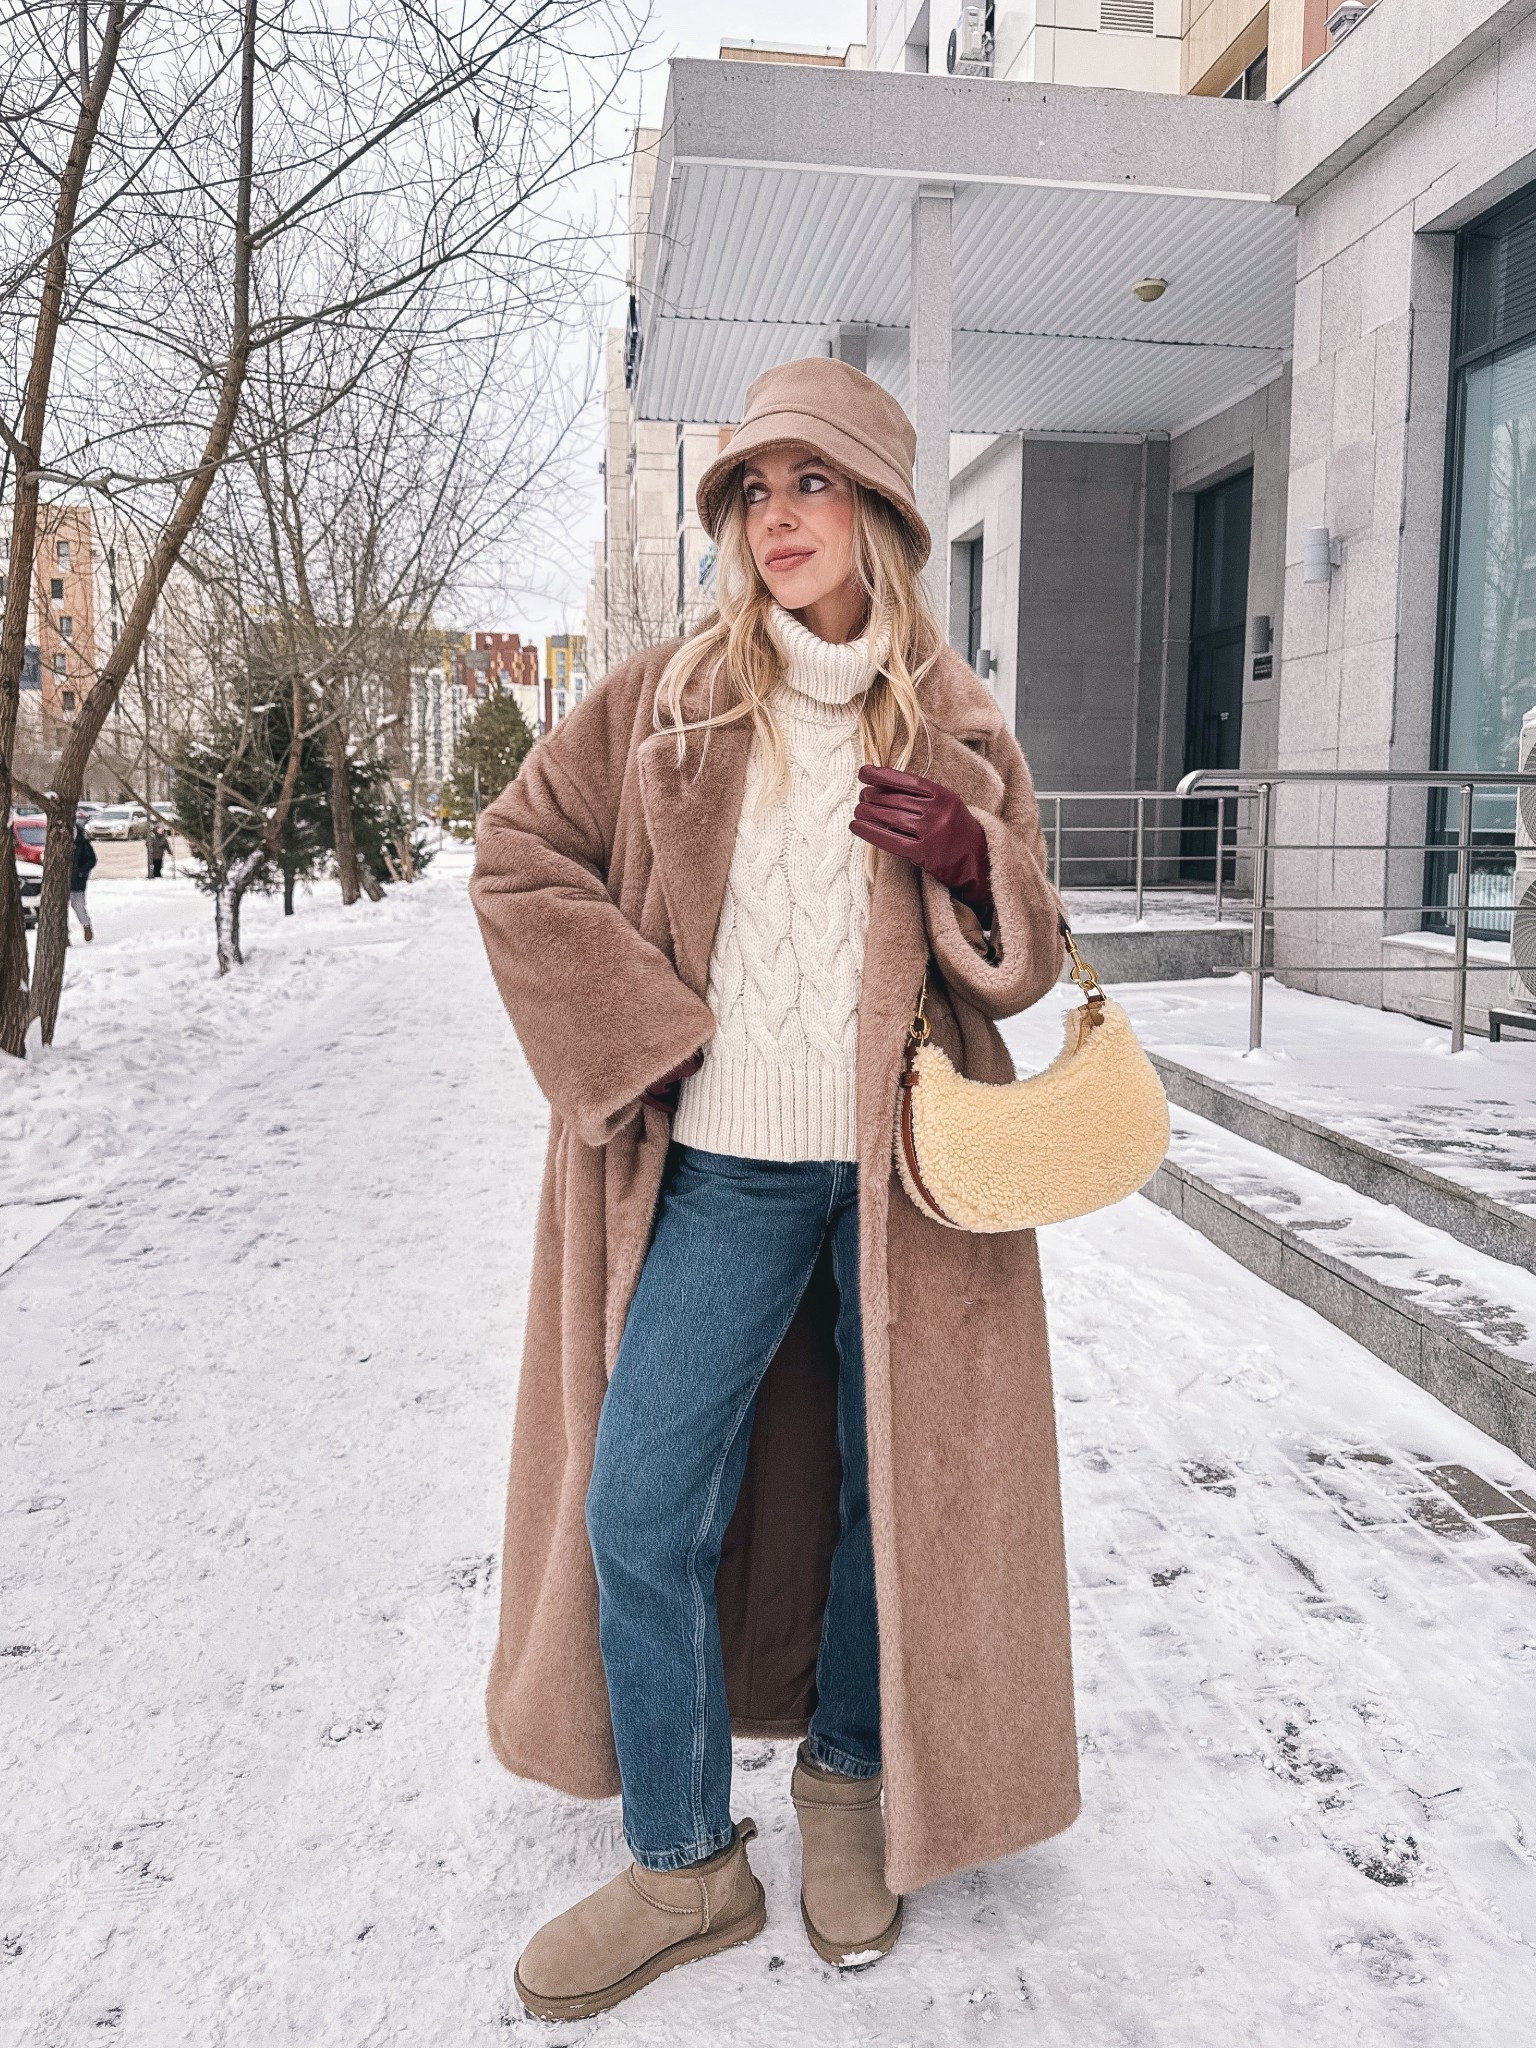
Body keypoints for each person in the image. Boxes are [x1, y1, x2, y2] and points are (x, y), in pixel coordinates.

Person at [471, 357, 1078, 2026]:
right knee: (638, 1508)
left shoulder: (955, 721)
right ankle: (683, 1857)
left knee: (904, 1495)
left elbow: (1031, 956)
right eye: (755, 490)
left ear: (882, 509)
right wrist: (641, 1033)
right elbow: (516, 855)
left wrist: (972, 861)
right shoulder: (668, 698)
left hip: (909, 1174)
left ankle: (845, 1780)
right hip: (724, 1169)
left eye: (811, 484)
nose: (779, 516)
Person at [69, 819, 96, 941]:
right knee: (59, 906)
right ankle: (64, 933)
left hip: (77, 881)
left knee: (77, 904)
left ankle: (86, 925)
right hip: (62, 882)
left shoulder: (83, 843)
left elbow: (91, 860)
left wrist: (81, 872)